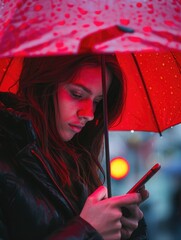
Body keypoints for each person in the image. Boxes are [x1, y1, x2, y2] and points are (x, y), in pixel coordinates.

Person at [0, 54, 149, 240]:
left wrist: (125, 233)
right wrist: (88, 230)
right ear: (43, 86)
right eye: (77, 94)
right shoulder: (7, 161)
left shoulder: (76, 160)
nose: (90, 115)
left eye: (97, 101)